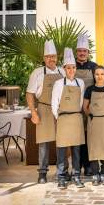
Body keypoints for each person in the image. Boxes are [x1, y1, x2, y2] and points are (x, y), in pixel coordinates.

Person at [26, 40, 64, 184]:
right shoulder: (37, 73)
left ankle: (62, 171)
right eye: (48, 56)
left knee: (62, 140)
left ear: (57, 57)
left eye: (53, 56)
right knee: (44, 142)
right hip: (43, 108)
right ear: (44, 58)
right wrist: (33, 113)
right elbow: (29, 94)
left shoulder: (63, 71)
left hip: (60, 110)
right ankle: (42, 173)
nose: (51, 59)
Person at [51, 48, 86, 188]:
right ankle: (61, 176)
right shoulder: (59, 84)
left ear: (75, 68)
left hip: (76, 118)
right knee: (62, 149)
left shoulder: (80, 83)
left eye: (73, 67)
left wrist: (77, 114)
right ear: (64, 69)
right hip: (63, 118)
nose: (71, 70)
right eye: (68, 68)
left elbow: (81, 102)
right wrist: (58, 117)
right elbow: (54, 103)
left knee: (76, 149)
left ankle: (76, 175)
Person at [83, 66, 104, 186]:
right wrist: (93, 116)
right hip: (94, 121)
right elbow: (85, 107)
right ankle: (95, 173)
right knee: (93, 147)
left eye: (102, 74)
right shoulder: (89, 89)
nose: (99, 76)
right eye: (97, 74)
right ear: (94, 75)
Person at [75, 33, 97, 177]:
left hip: (89, 107)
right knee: (77, 137)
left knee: (89, 137)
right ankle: (77, 166)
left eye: (85, 51)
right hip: (74, 108)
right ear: (76, 53)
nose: (82, 53)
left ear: (88, 53)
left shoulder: (94, 67)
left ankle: (88, 165)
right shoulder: (70, 66)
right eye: (80, 51)